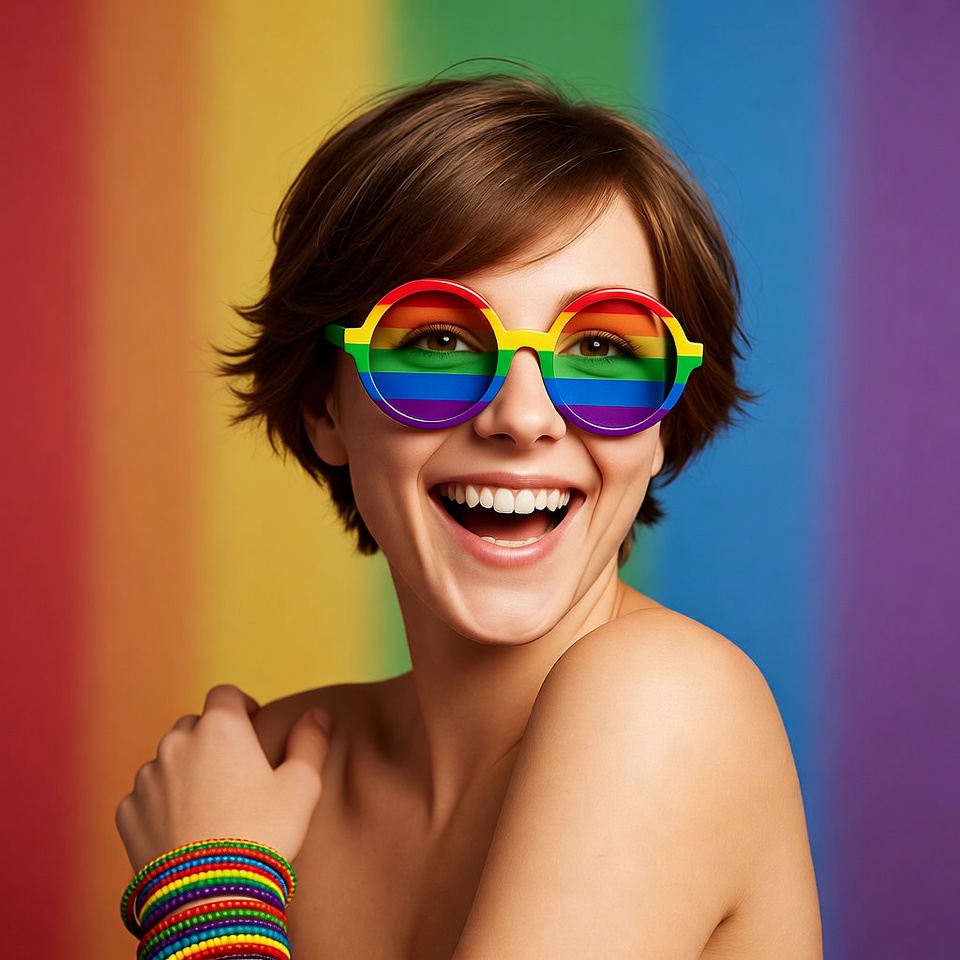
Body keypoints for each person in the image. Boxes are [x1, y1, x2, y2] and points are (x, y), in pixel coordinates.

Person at [116, 74, 822, 959]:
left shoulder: (665, 704)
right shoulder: (260, 768)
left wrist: (206, 899)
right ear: (324, 409)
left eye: (601, 348)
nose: (523, 417)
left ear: (665, 421)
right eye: (440, 342)